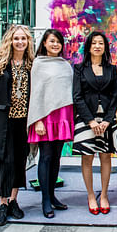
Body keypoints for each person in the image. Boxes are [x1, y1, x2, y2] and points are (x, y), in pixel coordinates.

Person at [0, 25, 34, 226]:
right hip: (2, 119)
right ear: (10, 40)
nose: (20, 42)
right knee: (4, 160)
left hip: (23, 120)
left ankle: (13, 201)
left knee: (20, 160)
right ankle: (2, 204)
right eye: (16, 38)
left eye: (23, 39)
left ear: (28, 42)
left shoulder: (31, 64)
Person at [27, 29, 74, 218]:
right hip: (45, 116)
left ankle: (53, 196)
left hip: (62, 115)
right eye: (52, 41)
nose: (55, 45)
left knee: (56, 157)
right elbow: (36, 93)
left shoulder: (65, 65)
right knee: (45, 156)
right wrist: (37, 119)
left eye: (58, 42)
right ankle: (45, 200)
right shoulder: (38, 65)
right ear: (44, 43)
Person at [72, 31, 117, 215]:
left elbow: (115, 96)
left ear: (105, 47)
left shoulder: (111, 69)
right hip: (86, 119)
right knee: (87, 158)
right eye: (94, 43)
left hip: (107, 120)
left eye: (101, 43)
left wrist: (107, 121)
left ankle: (105, 195)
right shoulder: (79, 69)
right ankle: (91, 195)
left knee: (106, 156)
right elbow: (77, 96)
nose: (98, 46)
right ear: (89, 47)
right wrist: (90, 121)